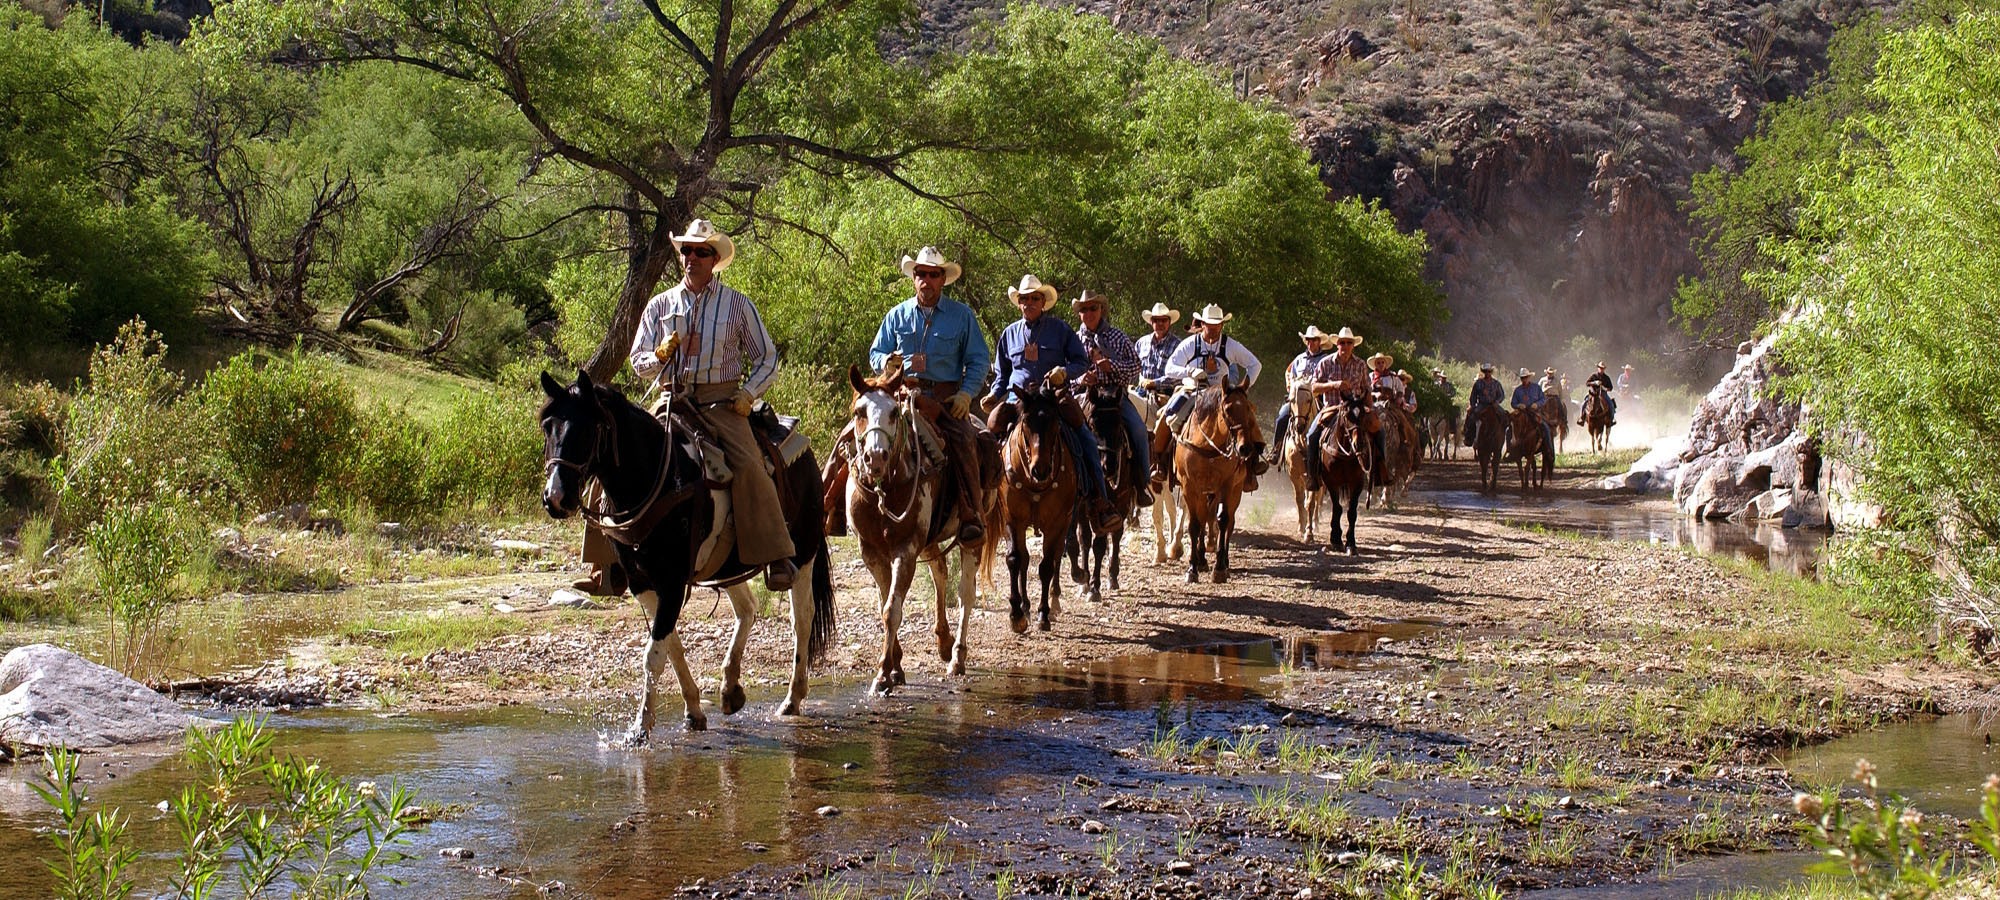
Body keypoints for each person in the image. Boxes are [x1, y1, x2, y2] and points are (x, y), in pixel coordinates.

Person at [623, 218, 799, 590]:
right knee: (624, 450)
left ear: (715, 259)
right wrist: (659, 356)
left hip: (720, 402)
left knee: (750, 465)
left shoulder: (737, 305)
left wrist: (748, 393)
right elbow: (637, 361)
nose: (691, 257)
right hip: (672, 400)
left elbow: (767, 357)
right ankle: (607, 560)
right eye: (686, 250)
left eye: (700, 252)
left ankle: (775, 554)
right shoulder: (660, 305)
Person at [827, 246, 991, 542]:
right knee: (849, 435)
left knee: (966, 440)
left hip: (943, 400)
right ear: (914, 278)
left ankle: (971, 514)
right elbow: (876, 351)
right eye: (921, 274)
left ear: (943, 279)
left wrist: (966, 395)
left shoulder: (962, 316)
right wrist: (886, 362)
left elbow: (979, 359)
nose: (926, 280)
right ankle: (829, 507)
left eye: (933, 274)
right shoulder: (897, 315)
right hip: (899, 394)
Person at [984, 274, 1113, 517]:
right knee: (989, 433)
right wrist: (994, 394)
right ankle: (984, 504)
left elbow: (1081, 362)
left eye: (1035, 298)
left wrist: (1064, 372)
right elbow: (1002, 374)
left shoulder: (1060, 329)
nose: (1029, 303)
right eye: (1024, 299)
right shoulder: (1009, 334)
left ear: (1043, 302)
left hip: (1054, 397)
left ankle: (1099, 500)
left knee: (1084, 436)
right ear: (1019, 303)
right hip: (1019, 400)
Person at [1154, 303, 1265, 486]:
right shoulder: (1191, 344)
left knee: (1245, 415)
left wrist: (1242, 388)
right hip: (1193, 390)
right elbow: (1170, 367)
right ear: (1202, 324)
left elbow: (1255, 365)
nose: (1213, 329)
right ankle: (1160, 463)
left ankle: (1252, 464)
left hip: (1222, 393)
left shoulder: (1230, 345)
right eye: (1209, 325)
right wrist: (1190, 372)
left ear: (1222, 325)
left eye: (1216, 325)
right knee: (1169, 415)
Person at [1072, 290, 1153, 507]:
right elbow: (1065, 371)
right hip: (1085, 395)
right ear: (1079, 314)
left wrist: (1112, 367)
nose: (1089, 313)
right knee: (1064, 431)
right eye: (1084, 309)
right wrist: (1081, 378)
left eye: (1093, 308)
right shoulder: (1074, 340)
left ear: (1101, 310)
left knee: (1138, 430)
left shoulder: (1118, 336)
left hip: (1114, 395)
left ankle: (1142, 482)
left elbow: (1136, 366)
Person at [1303, 327, 1376, 490]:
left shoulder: (1360, 364)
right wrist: (1334, 385)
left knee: (1379, 431)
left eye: (1349, 343)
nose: (1345, 346)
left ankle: (1377, 472)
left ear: (1353, 345)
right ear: (1337, 344)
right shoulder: (1326, 363)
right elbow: (1314, 388)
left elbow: (1367, 389)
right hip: (1331, 408)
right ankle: (1313, 476)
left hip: (1355, 410)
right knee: (1311, 436)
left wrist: (1370, 409)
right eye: (1342, 342)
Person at [1268, 325, 1334, 463]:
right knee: (1282, 416)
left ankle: (1330, 453)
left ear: (1319, 341)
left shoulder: (1326, 360)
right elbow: (1289, 373)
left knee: (1331, 420)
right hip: (1297, 399)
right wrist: (1290, 387)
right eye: (1308, 340)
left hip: (1317, 398)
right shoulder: (1299, 359)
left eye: (1314, 340)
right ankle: (1276, 449)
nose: (1311, 343)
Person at [1134, 303, 1181, 400]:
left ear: (1169, 322)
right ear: (1151, 322)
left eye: (1163, 320)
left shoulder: (1178, 345)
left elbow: (1179, 375)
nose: (1160, 324)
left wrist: (1155, 383)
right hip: (1141, 392)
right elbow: (1133, 368)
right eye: (1156, 320)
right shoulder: (1141, 343)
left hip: (1168, 395)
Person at [1510, 367, 1552, 455]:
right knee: (1509, 428)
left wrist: (1537, 404)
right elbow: (1513, 403)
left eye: (1525, 377)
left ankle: (1548, 448)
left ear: (1529, 377)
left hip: (1534, 411)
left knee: (1545, 426)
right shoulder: (1517, 390)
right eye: (1522, 378)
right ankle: (1510, 449)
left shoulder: (1536, 388)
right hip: (1522, 413)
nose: (1524, 380)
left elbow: (1543, 399)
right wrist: (1518, 405)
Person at [1464, 362, 1504, 444]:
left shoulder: (1496, 383)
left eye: (1489, 371)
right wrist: (1473, 406)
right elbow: (1473, 396)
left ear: (1491, 372)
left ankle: (1505, 437)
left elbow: (1501, 395)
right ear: (1484, 372)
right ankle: (1469, 437)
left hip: (1493, 405)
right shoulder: (1478, 383)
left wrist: (1496, 402)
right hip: (1482, 405)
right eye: (1486, 371)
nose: (1487, 373)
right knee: (1472, 417)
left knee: (1504, 415)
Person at [1583, 361, 1616, 425]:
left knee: (1611, 404)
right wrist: (1594, 382)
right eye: (1600, 368)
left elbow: (1611, 388)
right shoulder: (1593, 376)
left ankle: (1611, 419)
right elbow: (1587, 383)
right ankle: (1582, 418)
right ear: (1598, 368)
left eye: (1602, 368)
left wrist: (1605, 388)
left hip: (1603, 394)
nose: (1601, 369)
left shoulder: (1606, 378)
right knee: (1584, 403)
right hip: (1593, 393)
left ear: (1604, 369)